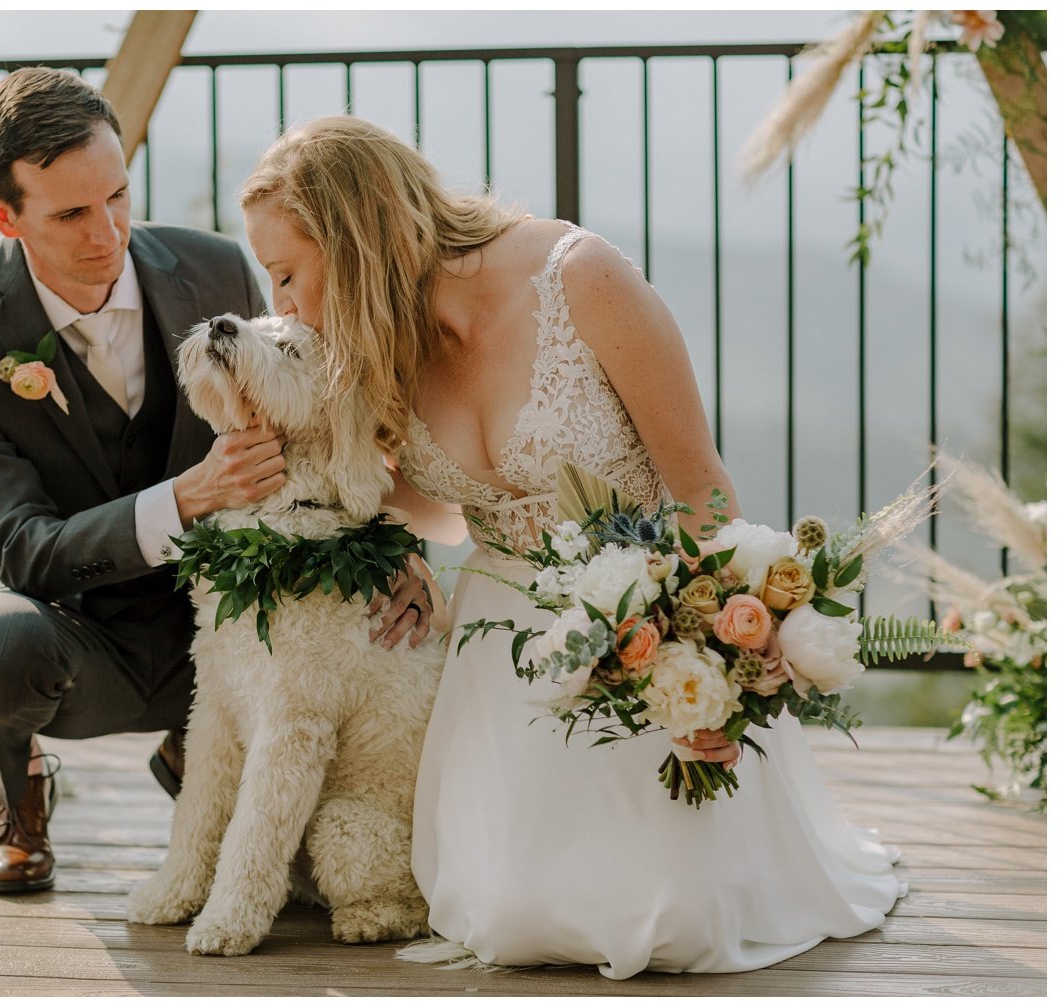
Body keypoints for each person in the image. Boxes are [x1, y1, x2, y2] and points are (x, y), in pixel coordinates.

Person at [236, 115, 904, 978]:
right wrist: (383, 536)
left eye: (286, 275)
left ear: (354, 240)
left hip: (645, 626)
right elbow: (438, 510)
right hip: (502, 657)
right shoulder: (380, 349)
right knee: (507, 917)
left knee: (683, 920)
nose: (281, 305)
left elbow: (701, 490)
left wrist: (707, 667)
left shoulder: (578, 276)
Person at [0, 67, 293, 895]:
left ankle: (206, 745)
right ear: (4, 217)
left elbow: (297, 436)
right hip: (61, 621)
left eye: (117, 195)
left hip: (203, 607)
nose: (107, 232)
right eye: (71, 213)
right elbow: (20, 548)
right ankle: (17, 783)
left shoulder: (219, 271)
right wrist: (188, 497)